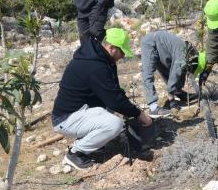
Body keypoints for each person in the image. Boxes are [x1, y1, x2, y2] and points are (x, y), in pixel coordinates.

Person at [52, 28, 152, 170]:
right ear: (111, 48)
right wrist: (139, 114)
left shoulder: (101, 58)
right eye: (122, 51)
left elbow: (114, 91)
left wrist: (129, 109)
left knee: (112, 111)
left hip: (80, 111)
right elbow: (115, 100)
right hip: (65, 119)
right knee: (114, 124)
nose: (123, 56)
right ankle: (75, 153)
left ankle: (91, 141)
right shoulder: (95, 66)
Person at [141, 30, 202, 117]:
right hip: (151, 43)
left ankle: (179, 93)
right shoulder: (184, 54)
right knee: (148, 74)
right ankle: (153, 107)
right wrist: (172, 100)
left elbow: (179, 72)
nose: (190, 73)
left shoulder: (188, 53)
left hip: (162, 48)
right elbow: (176, 73)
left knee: (176, 70)